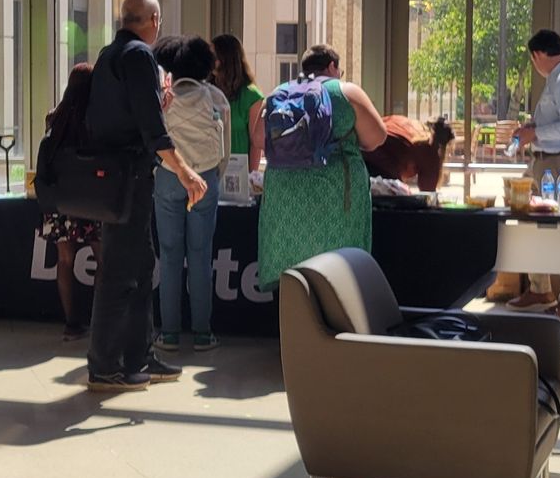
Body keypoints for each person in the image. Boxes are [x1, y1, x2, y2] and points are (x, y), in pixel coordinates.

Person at [84, 0, 206, 392]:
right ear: (153, 20)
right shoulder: (139, 56)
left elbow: (129, 116)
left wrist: (158, 102)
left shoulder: (108, 55)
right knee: (120, 272)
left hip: (116, 178)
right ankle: (104, 365)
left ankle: (139, 356)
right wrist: (186, 172)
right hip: (129, 178)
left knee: (140, 268)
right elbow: (152, 132)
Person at [257, 45, 387, 289]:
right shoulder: (346, 93)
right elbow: (377, 137)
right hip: (335, 196)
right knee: (338, 274)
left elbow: (257, 138)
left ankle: (293, 319)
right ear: (331, 67)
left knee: (293, 274)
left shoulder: (280, 92)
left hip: (285, 199)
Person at [152, 36, 228, 353]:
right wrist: (213, 175)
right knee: (200, 255)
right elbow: (225, 150)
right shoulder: (215, 97)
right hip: (206, 177)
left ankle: (168, 333)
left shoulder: (162, 98)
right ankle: (202, 333)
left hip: (168, 178)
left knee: (169, 255)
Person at [509, 29, 560, 319]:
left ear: (539, 55)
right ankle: (539, 287)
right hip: (547, 162)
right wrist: (532, 129)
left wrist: (535, 133)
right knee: (535, 225)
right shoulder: (557, 80)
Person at [40, 64, 102, 342]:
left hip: (61, 204)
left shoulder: (55, 118)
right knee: (103, 260)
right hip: (92, 201)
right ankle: (99, 320)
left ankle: (71, 323)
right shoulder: (96, 119)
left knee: (65, 261)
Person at [210, 34, 267, 174]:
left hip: (237, 172)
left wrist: (251, 176)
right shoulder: (205, 91)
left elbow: (256, 144)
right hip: (208, 170)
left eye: (213, 56)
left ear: (227, 59)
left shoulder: (251, 96)